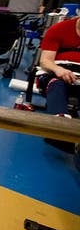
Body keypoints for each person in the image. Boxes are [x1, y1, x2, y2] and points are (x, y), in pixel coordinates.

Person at [37, 17, 80, 153]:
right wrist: (58, 70)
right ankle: (59, 127)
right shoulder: (59, 29)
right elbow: (45, 61)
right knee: (57, 84)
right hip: (56, 72)